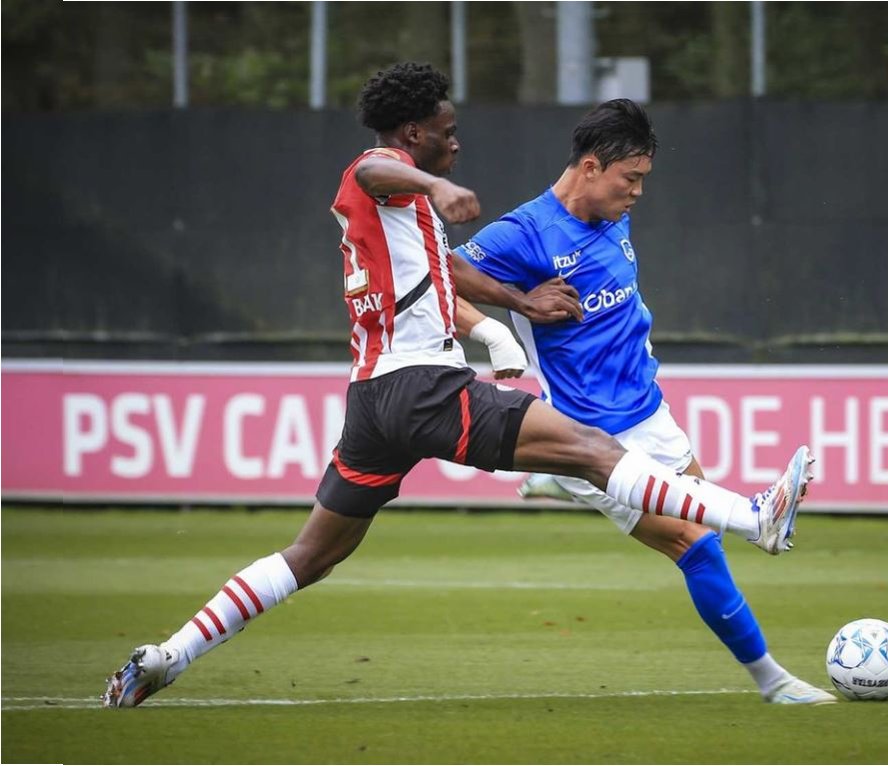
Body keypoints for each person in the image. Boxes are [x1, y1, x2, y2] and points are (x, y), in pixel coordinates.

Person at [101, 63, 820, 709]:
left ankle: (168, 656)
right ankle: (752, 515)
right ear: (414, 135)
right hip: (423, 388)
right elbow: (374, 168)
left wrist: (506, 319)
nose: (456, 144)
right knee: (594, 451)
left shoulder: (409, 218)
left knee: (310, 556)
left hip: (373, 401)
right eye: (446, 134)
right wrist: (436, 184)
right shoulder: (388, 177)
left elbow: (449, 275)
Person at [454, 98, 835, 705]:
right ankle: (774, 682)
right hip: (589, 434)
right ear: (589, 167)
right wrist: (511, 314)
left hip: (651, 412)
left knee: (707, 545)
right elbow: (442, 279)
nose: (637, 193)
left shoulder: (612, 215)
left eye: (643, 179)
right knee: (695, 544)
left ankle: (553, 483)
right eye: (629, 179)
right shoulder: (525, 233)